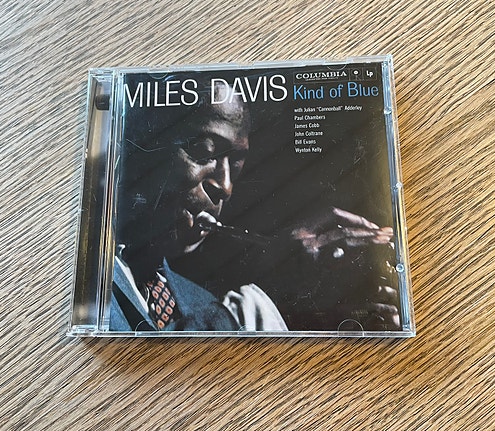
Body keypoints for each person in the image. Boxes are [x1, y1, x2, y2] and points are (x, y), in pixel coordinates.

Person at [110, 79, 398, 332]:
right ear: (142, 147)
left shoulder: (204, 302)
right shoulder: (92, 285)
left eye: (235, 166)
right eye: (203, 152)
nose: (225, 187)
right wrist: (272, 294)